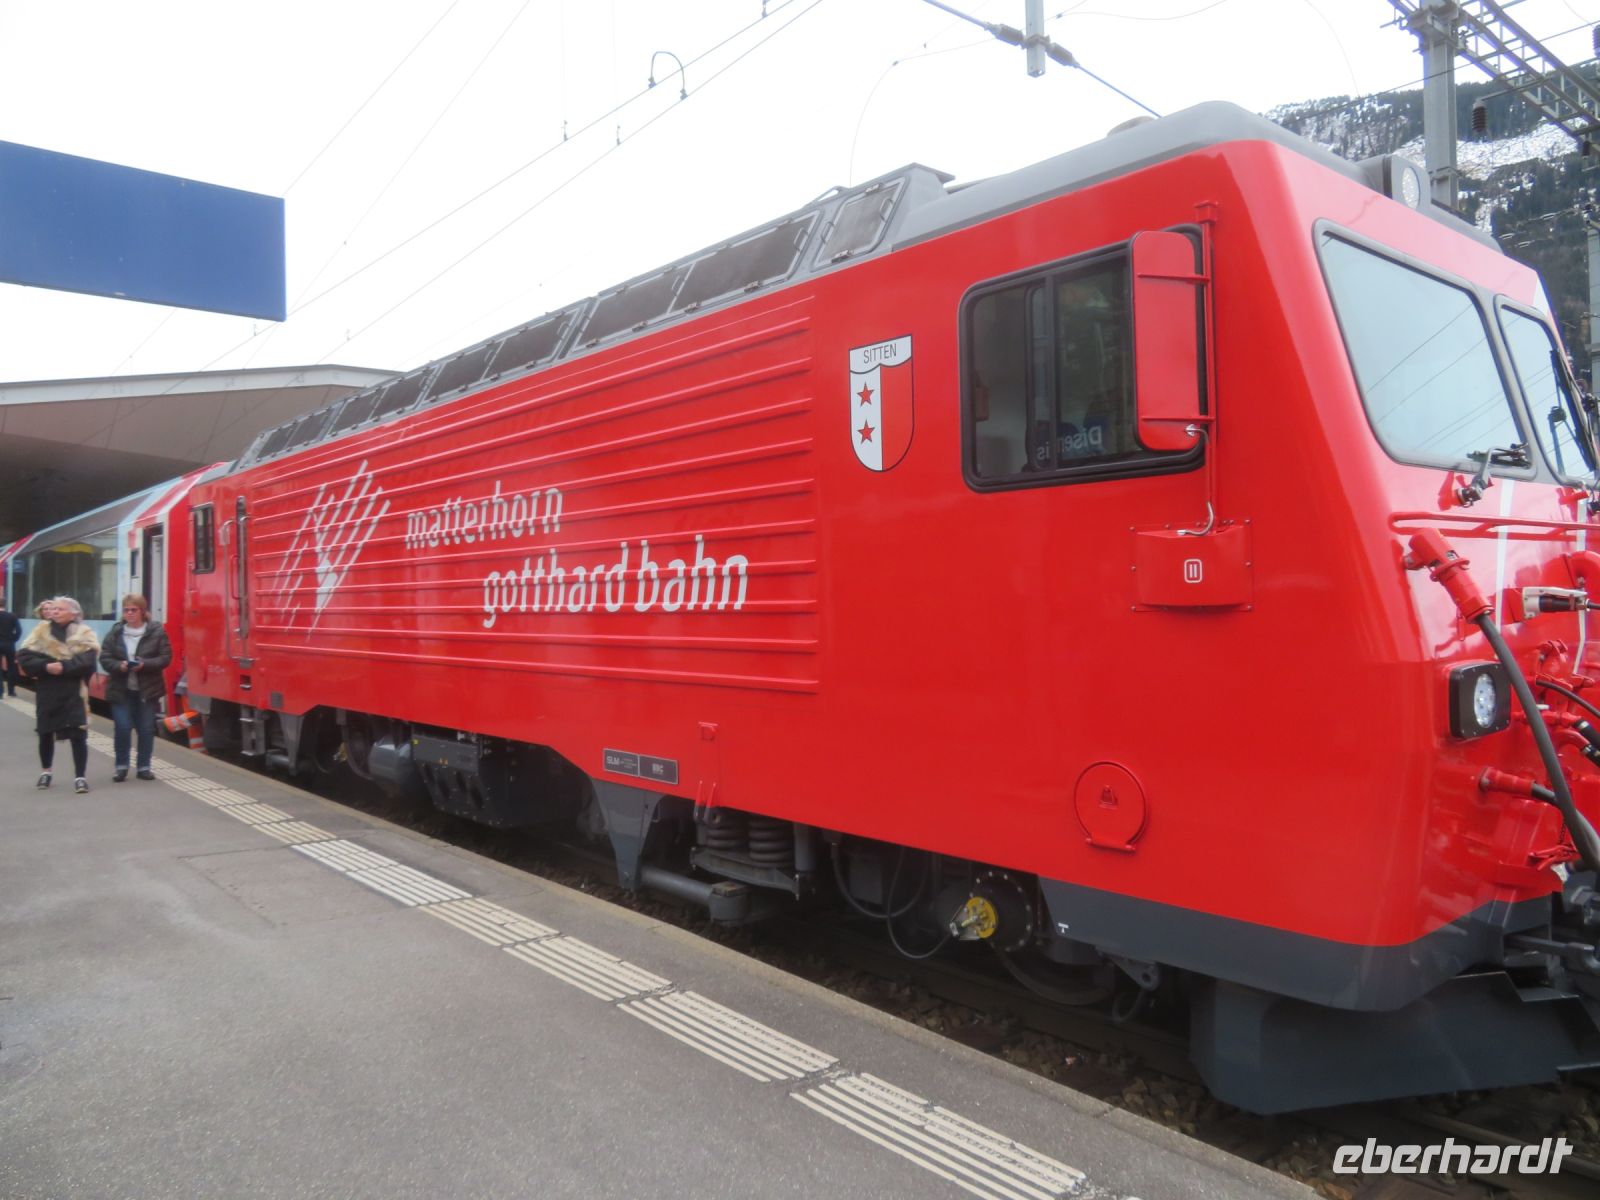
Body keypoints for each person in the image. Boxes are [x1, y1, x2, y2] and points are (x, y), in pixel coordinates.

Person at [15, 596, 99, 794]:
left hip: (74, 692)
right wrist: (45, 665)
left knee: (79, 734)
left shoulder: (84, 633)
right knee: (45, 732)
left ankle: (80, 776)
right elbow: (24, 656)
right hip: (48, 691)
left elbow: (88, 662)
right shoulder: (41, 631)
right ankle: (46, 771)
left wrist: (61, 667)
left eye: (60, 609)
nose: (55, 612)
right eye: (54, 609)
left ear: (73, 613)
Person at [99, 593, 173, 782]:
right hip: (121, 688)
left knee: (146, 729)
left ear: (142, 612)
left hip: (147, 689)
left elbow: (165, 658)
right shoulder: (115, 632)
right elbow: (105, 657)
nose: (129, 613)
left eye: (134, 610)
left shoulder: (156, 632)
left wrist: (145, 664)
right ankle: (121, 766)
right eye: (126, 610)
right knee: (122, 727)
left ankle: (144, 767)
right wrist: (120, 666)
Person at [0, 600, 20, 697]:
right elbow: (19, 630)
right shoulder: (12, 616)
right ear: (5, 605)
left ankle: (0, 692)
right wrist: (14, 639)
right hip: (9, 644)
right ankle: (11, 691)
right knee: (11, 667)